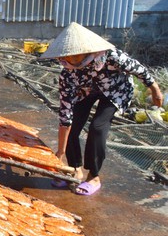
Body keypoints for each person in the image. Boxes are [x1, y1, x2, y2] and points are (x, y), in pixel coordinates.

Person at [41, 22, 164, 196]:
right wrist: (60, 151)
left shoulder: (111, 56)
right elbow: (65, 115)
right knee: (73, 126)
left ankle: (93, 176)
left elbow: (139, 70)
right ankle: (75, 168)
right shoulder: (67, 74)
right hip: (86, 91)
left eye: (78, 56)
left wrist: (155, 90)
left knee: (98, 127)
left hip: (115, 91)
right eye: (70, 57)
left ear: (88, 51)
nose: (74, 61)